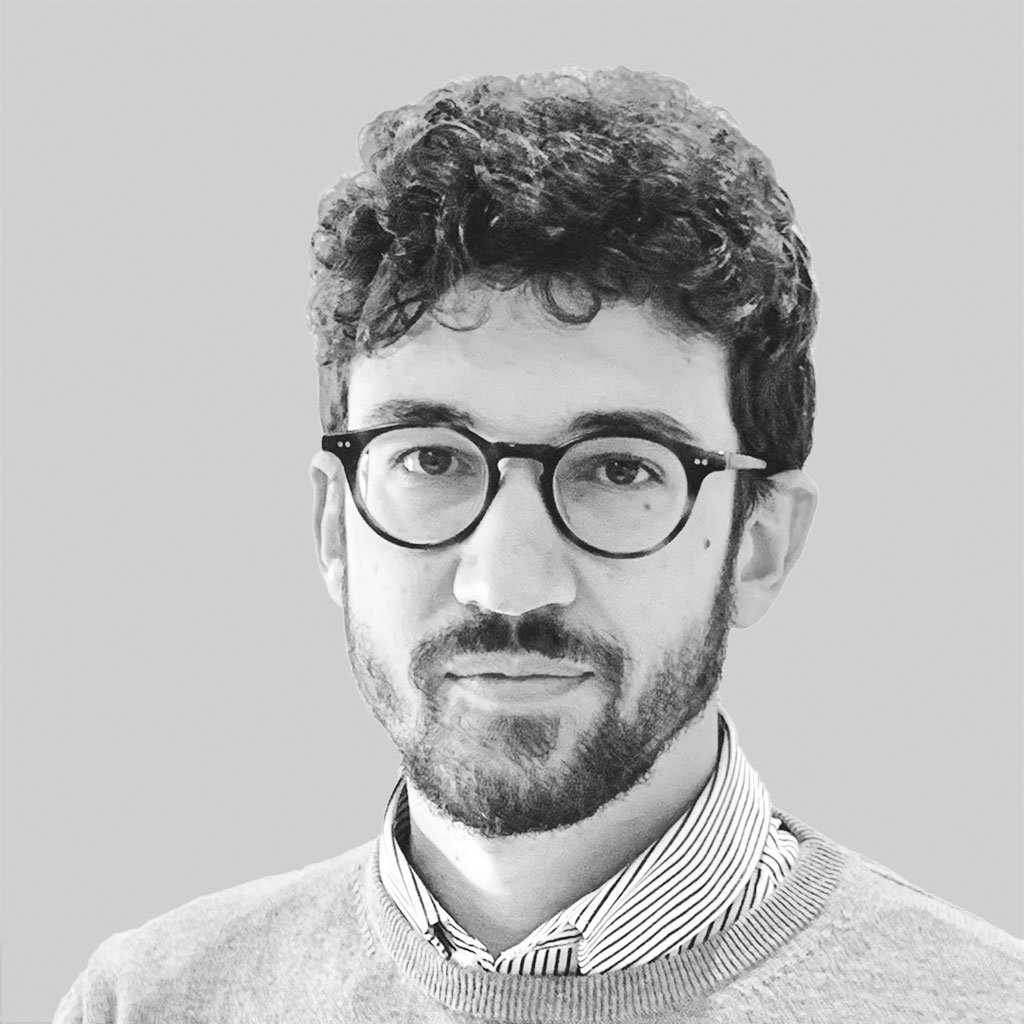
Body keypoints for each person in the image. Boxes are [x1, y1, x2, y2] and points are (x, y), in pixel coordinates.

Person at [54, 66, 1023, 1023]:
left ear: (759, 543)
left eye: (620, 469)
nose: (506, 582)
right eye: (431, 459)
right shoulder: (149, 1002)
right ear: (335, 526)